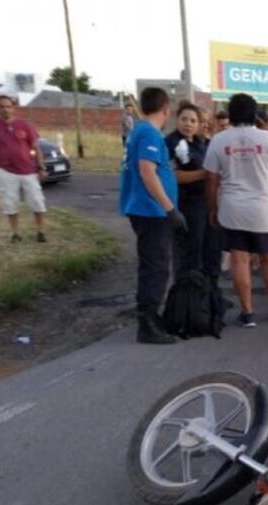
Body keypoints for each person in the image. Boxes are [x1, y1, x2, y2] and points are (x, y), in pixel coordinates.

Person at [204, 92, 268, 327]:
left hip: (232, 209)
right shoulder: (265, 137)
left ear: (230, 114)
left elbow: (211, 180)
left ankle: (247, 313)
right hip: (262, 210)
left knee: (239, 261)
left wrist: (212, 208)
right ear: (255, 114)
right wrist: (266, 129)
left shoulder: (219, 140)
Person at [119, 87, 186, 345]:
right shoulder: (148, 132)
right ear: (166, 110)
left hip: (146, 209)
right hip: (151, 211)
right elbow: (147, 172)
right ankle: (147, 324)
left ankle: (151, 317)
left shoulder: (138, 129)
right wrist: (170, 209)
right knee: (156, 267)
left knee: (153, 265)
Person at [165, 101, 220, 283]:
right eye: (184, 119)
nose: (188, 124)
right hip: (186, 204)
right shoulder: (171, 142)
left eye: (193, 121)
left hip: (205, 203)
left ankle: (210, 298)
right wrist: (205, 173)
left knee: (211, 252)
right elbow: (174, 176)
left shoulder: (200, 143)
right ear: (177, 120)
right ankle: (187, 301)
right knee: (189, 255)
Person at [0, 95, 49, 243]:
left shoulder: (25, 125)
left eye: (8, 106)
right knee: (10, 203)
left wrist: (41, 167)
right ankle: (15, 233)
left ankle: (40, 231)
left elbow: (36, 148)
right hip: (6, 171)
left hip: (28, 171)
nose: (5, 109)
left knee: (37, 201)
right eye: (2, 106)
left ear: (13, 108)